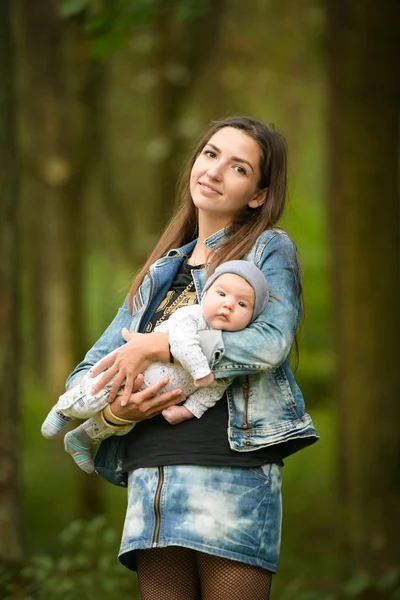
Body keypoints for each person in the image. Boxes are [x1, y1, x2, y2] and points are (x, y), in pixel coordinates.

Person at [64, 116, 319, 600]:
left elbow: (270, 341)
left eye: (239, 167)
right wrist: (117, 414)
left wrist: (156, 346)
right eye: (210, 154)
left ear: (258, 194)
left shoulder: (268, 248)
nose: (216, 170)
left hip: (230, 472)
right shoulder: (161, 272)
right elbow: (88, 371)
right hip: (150, 478)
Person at [41, 261, 269, 474]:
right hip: (132, 371)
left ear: (251, 317)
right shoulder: (191, 315)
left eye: (242, 304)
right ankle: (63, 409)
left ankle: (80, 439)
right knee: (96, 395)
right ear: (206, 293)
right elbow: (181, 343)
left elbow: (215, 388)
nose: (228, 304)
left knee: (122, 425)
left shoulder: (232, 351)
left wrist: (188, 411)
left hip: (154, 397)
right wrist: (201, 371)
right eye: (221, 294)